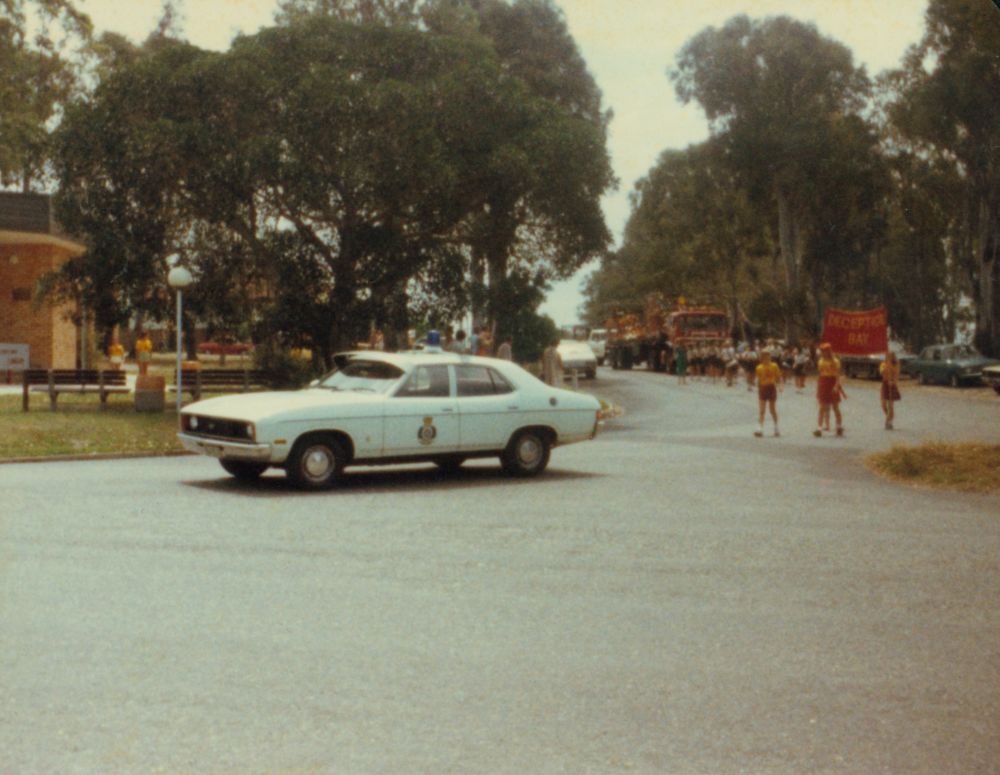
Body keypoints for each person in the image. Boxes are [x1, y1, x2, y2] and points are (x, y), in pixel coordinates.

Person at [814, 342, 844, 437]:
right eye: (822, 351)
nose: (824, 353)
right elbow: (820, 373)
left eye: (826, 351)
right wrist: (819, 385)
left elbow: (838, 374)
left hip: (832, 382)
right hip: (823, 382)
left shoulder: (835, 361)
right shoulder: (821, 361)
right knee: (822, 407)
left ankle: (839, 426)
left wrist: (837, 385)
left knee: (835, 407)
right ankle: (819, 428)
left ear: (829, 351)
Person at [754, 349, 782, 437]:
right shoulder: (759, 367)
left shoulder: (774, 366)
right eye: (764, 357)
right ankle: (760, 428)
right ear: (761, 358)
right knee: (762, 410)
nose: (766, 358)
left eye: (768, 356)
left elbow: (778, 377)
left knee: (772, 410)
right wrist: (758, 388)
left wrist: (780, 386)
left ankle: (776, 427)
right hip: (763, 388)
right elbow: (758, 379)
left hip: (771, 387)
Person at [880, 350, 902, 429]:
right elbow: (882, 372)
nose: (888, 356)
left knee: (890, 405)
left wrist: (893, 382)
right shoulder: (883, 364)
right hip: (885, 384)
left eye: (889, 355)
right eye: (887, 355)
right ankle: (890, 417)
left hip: (892, 384)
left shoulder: (896, 364)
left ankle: (888, 422)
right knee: (883, 405)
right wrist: (887, 365)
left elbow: (896, 375)